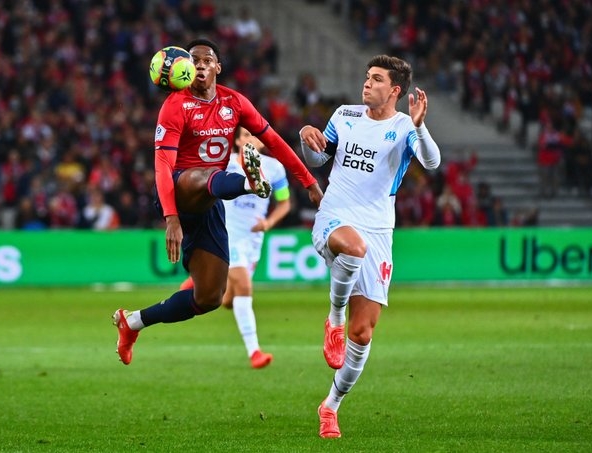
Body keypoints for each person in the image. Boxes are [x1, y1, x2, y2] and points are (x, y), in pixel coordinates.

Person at [112, 38, 323, 366]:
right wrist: (171, 218)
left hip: (210, 204)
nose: (200, 65)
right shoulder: (175, 105)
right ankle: (249, 183)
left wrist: (308, 181)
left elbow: (274, 142)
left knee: (209, 297)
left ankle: (133, 322)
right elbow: (163, 165)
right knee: (207, 173)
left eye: (207, 60)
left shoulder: (234, 102)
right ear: (185, 67)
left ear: (217, 67)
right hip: (179, 191)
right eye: (194, 60)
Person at [299, 54, 441, 438]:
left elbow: (431, 162)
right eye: (367, 76)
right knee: (352, 246)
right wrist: (307, 137)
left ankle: (330, 406)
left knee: (362, 334)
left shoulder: (404, 126)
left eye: (377, 79)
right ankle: (334, 318)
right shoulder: (345, 115)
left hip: (379, 230)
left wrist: (420, 126)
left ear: (395, 90)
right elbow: (318, 158)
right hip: (334, 216)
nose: (367, 83)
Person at [180, 126, 291, 369]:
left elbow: (284, 203)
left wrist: (268, 223)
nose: (251, 139)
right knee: (244, 286)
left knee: (229, 300)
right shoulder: (225, 164)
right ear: (238, 141)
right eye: (246, 135)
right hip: (227, 233)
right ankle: (255, 352)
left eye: (255, 135)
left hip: (253, 239)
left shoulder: (275, 168)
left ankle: (201, 282)